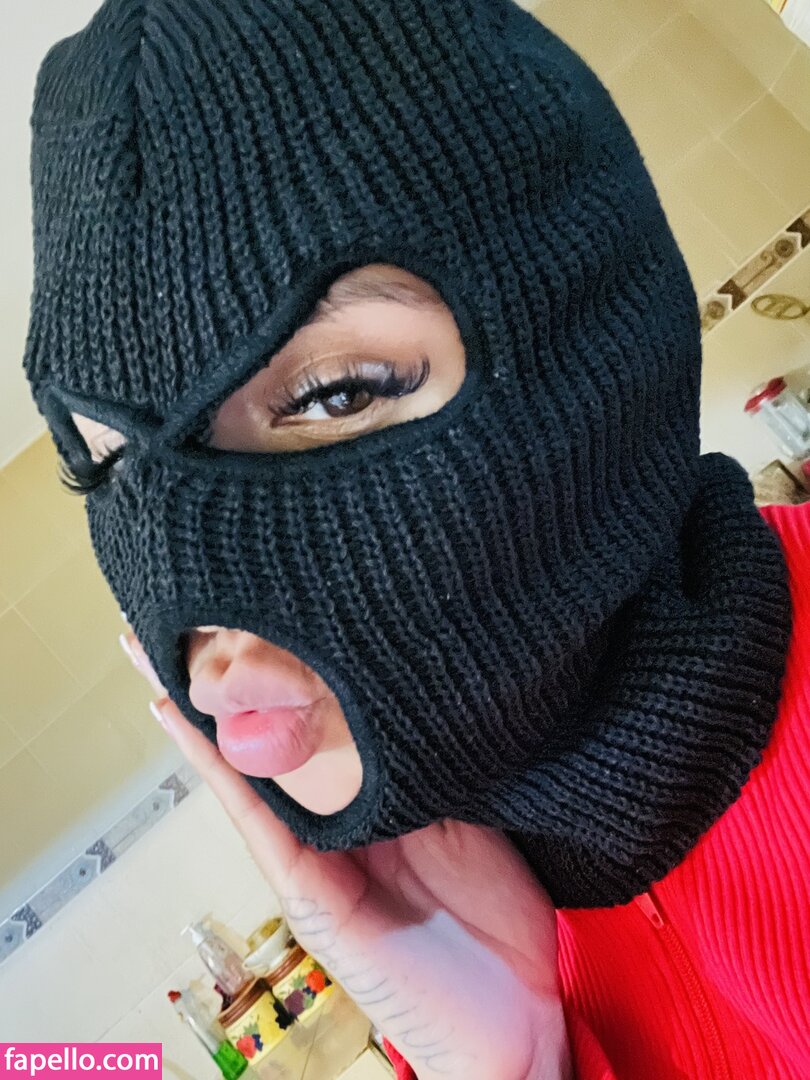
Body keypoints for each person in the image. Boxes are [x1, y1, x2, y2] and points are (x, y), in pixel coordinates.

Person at [21, 0, 809, 1077]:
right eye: (111, 462)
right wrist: (520, 1064)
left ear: (591, 329)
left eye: (338, 393)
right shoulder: (438, 955)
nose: (210, 616)